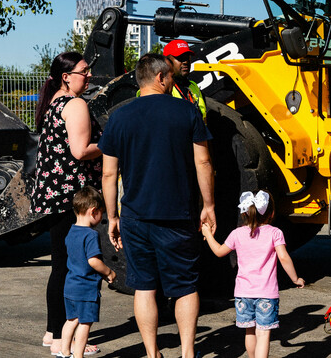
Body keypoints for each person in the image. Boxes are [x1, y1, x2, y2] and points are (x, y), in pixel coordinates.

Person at [100, 53, 216, 358]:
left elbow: (109, 174)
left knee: (144, 287)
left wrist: (112, 216)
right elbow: (203, 162)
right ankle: (188, 352)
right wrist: (209, 205)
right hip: (177, 214)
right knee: (185, 286)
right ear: (161, 77)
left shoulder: (119, 117)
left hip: (135, 216)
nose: (173, 81)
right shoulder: (187, 111)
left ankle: (152, 354)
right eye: (171, 76)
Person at [33, 52, 103, 356]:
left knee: (60, 265)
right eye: (84, 71)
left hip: (54, 195)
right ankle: (65, 340)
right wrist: (111, 143)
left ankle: (53, 333)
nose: (89, 76)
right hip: (71, 197)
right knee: (71, 268)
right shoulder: (74, 104)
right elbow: (80, 150)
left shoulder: (53, 103)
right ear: (66, 76)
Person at [201, 190, 304, 358]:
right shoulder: (275, 233)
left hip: (243, 294)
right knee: (263, 334)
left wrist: (207, 234)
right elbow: (284, 257)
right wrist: (295, 279)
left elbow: (219, 251)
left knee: (249, 331)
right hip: (266, 294)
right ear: (271, 213)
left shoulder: (237, 233)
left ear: (244, 213)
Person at [58, 186, 116, 358]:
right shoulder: (91, 235)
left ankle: (64, 351)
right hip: (86, 288)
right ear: (93, 211)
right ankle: (78, 355)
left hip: (70, 285)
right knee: (85, 323)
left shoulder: (71, 231)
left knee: (71, 320)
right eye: (101, 214)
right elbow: (93, 261)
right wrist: (109, 272)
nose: (101, 218)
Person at [163, 39, 207, 121]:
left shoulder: (194, 86)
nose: (186, 62)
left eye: (187, 57)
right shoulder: (161, 89)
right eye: (180, 58)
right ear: (166, 62)